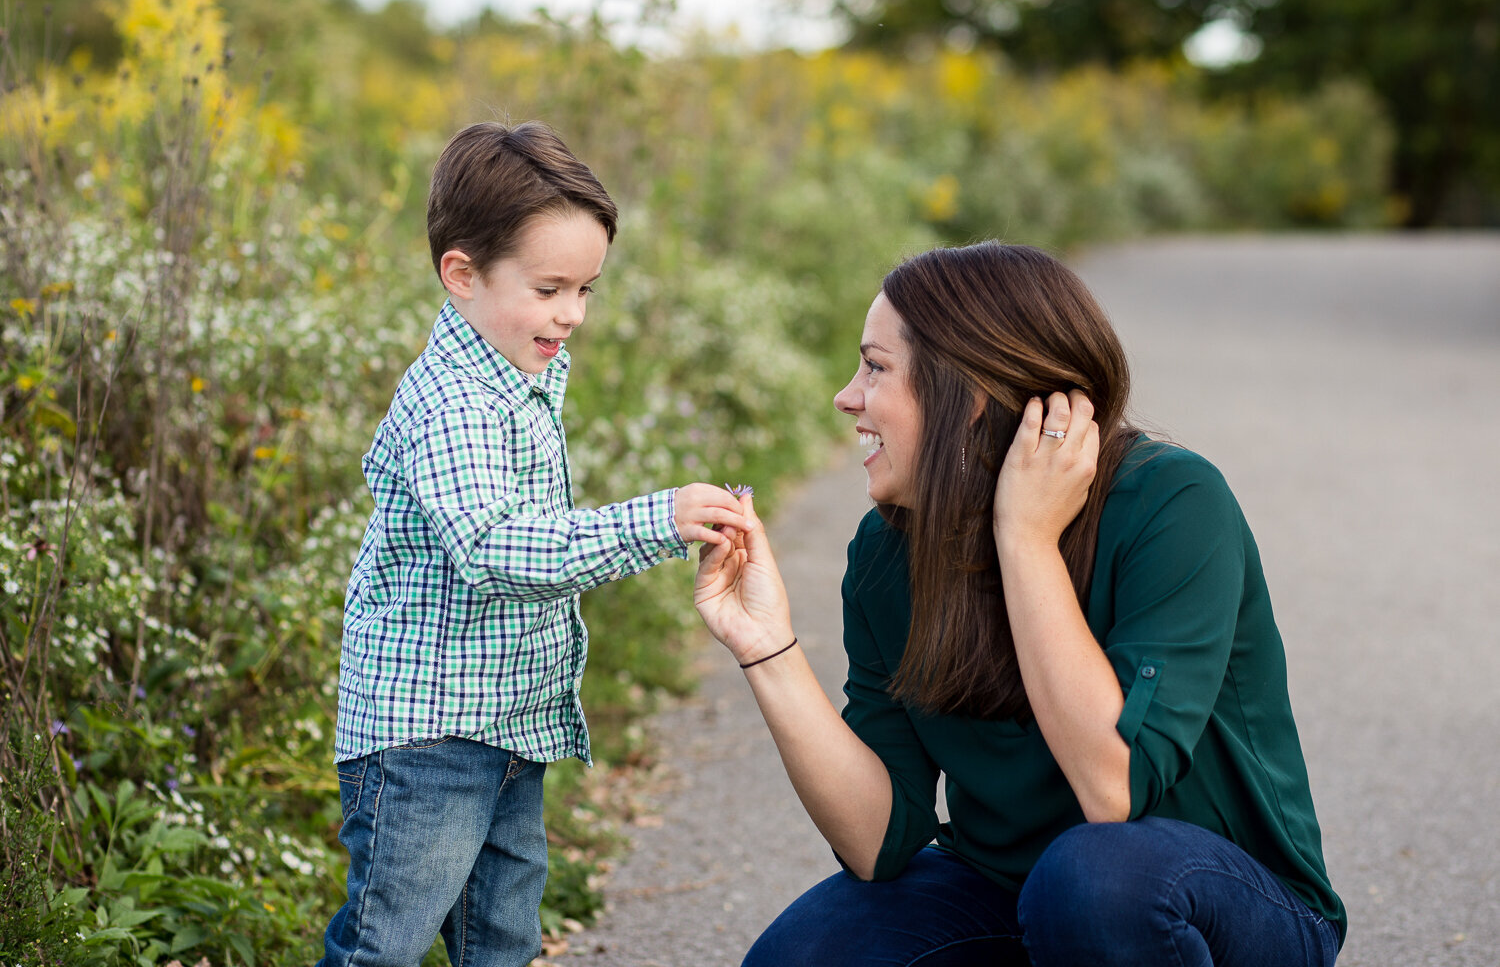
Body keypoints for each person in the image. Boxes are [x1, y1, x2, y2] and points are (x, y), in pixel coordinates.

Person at [694, 241, 1345, 966]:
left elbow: (1114, 788)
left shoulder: (1173, 503)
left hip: (1222, 910)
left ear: (968, 395)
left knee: (1093, 882)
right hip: (1009, 895)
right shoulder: (886, 556)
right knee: (802, 957)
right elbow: (878, 842)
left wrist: (1026, 539)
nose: (848, 396)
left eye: (876, 367)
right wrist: (767, 648)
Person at [317, 121, 745, 967]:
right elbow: (495, 549)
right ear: (462, 275)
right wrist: (651, 522)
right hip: (425, 739)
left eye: (586, 290)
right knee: (385, 942)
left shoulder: (521, 367)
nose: (572, 315)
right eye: (551, 288)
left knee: (503, 936)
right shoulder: (453, 402)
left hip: (509, 723)